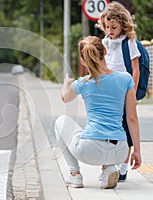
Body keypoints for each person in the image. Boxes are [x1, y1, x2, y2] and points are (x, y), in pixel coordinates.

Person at [55, 36, 141, 189]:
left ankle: (75, 175)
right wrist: (137, 151)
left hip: (90, 150)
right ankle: (109, 168)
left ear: (82, 60)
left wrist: (66, 84)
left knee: (60, 121)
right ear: (105, 51)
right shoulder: (126, 78)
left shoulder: (82, 83)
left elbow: (64, 98)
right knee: (111, 134)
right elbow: (132, 118)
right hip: (120, 151)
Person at [96, 1, 140, 182]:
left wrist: (134, 93)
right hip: (109, 93)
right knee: (109, 127)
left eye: (113, 26)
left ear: (123, 23)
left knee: (125, 129)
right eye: (106, 26)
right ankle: (109, 167)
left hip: (125, 91)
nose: (110, 30)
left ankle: (122, 168)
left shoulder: (128, 42)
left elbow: (135, 69)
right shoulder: (105, 42)